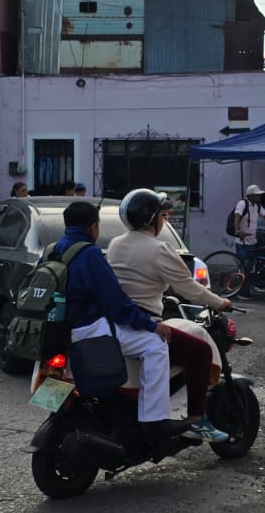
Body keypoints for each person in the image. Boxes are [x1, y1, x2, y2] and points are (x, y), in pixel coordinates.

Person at [53, 200, 191, 442]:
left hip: (59, 329)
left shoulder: (54, 249)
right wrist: (151, 325)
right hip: (89, 330)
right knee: (155, 345)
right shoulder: (89, 253)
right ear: (93, 227)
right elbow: (116, 301)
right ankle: (153, 421)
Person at [107, 189, 232, 442]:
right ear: (152, 218)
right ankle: (197, 420)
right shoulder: (159, 249)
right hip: (144, 326)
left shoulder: (115, 244)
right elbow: (188, 287)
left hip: (115, 323)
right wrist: (219, 302)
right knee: (200, 351)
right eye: (163, 215)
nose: (164, 220)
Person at [230, 184, 265, 297]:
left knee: (249, 267)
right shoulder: (242, 203)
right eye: (258, 195)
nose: (260, 197)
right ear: (251, 196)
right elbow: (237, 216)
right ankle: (241, 292)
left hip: (252, 242)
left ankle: (244, 291)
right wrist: (237, 230)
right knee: (243, 267)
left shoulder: (258, 206)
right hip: (242, 242)